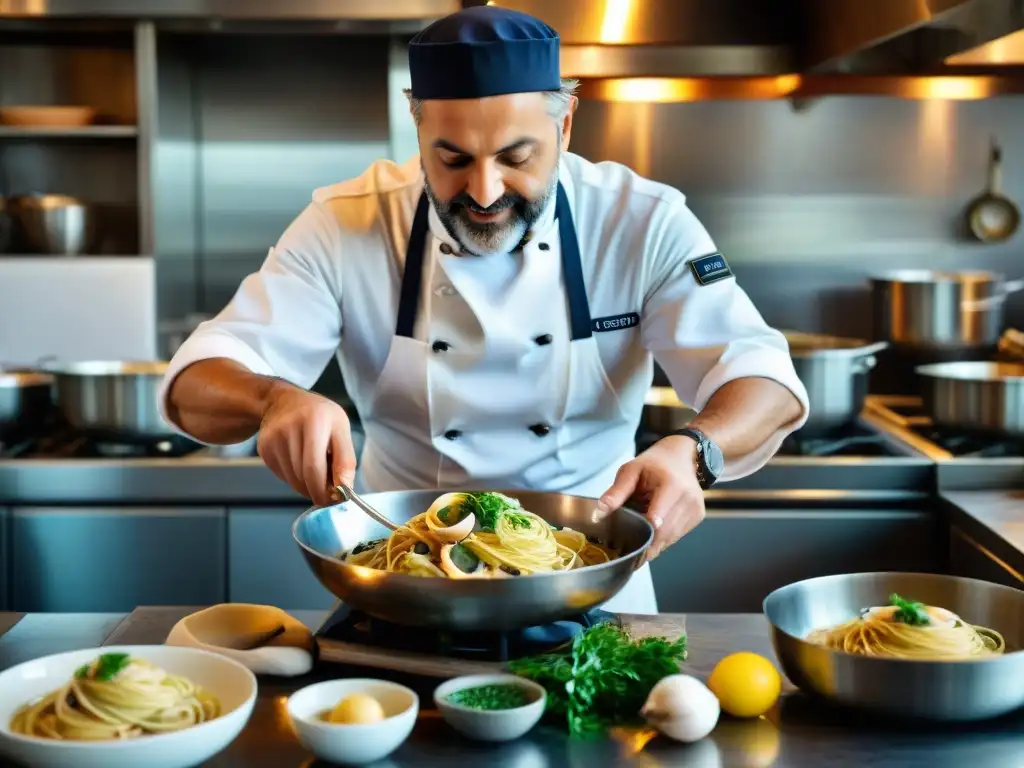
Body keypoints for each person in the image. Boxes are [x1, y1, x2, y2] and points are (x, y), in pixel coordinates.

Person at [158, 6, 809, 615]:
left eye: (516, 157)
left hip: (595, 585)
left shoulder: (641, 221)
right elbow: (197, 381)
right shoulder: (346, 223)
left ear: (566, 125)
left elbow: (763, 380)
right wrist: (273, 399)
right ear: (419, 129)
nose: (485, 191)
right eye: (453, 159)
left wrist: (694, 451)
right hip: (402, 578)